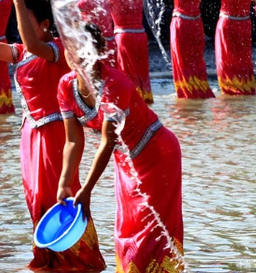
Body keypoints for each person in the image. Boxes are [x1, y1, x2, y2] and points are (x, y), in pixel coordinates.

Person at [0, 0, 106, 270]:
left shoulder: (55, 49)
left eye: (25, 18)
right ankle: (48, 258)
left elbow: (34, 43)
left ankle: (79, 260)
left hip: (53, 134)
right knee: (35, 197)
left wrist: (19, 1)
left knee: (57, 195)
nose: (19, 24)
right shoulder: (20, 52)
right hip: (29, 135)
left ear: (45, 23)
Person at [57, 23, 184, 272]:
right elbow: (72, 141)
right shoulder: (65, 85)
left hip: (157, 153)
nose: (75, 55)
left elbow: (108, 141)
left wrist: (87, 189)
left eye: (82, 49)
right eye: (70, 48)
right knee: (128, 227)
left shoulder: (115, 84)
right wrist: (64, 183)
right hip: (126, 161)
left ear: (99, 51)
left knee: (151, 230)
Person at [157, 0, 214, 99]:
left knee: (182, 60)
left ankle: (187, 94)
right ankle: (199, 91)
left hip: (181, 24)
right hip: (196, 24)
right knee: (196, 59)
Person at [203, 0, 256, 95]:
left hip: (228, 25)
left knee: (226, 60)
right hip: (245, 24)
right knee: (243, 59)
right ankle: (246, 89)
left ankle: (230, 91)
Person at [105, 0, 153, 103]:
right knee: (141, 70)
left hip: (124, 37)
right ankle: (145, 100)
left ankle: (130, 100)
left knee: (126, 70)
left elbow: (95, 2)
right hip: (141, 36)